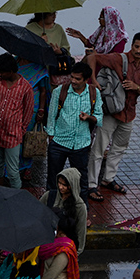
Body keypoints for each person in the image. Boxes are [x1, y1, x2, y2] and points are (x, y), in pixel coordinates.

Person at [85, 32, 140, 201]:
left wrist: (135, 87)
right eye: (136, 46)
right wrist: (94, 80)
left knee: (119, 148)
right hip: (111, 111)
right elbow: (92, 57)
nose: (138, 50)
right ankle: (92, 184)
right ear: (132, 45)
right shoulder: (118, 58)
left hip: (129, 114)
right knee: (99, 149)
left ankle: (108, 179)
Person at [45, 62, 102, 203]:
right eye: (72, 77)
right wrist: (51, 137)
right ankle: (51, 208)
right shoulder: (60, 91)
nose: (73, 81)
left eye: (77, 79)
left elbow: (99, 118)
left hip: (81, 144)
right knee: (53, 180)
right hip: (59, 142)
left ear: (86, 80)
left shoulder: (94, 93)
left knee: (81, 182)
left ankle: (82, 212)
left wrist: (88, 117)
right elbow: (51, 116)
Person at [0, 53, 34, 190]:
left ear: (11, 71)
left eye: (2, 72)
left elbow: (28, 111)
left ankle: (16, 198)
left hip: (13, 135)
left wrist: (21, 130)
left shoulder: (25, 87)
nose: (0, 74)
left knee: (13, 171)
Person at [39, 167, 88, 253]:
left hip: (64, 248)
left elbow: (81, 232)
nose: (60, 187)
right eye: (59, 183)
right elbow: (38, 212)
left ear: (72, 185)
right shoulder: (49, 195)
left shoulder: (80, 207)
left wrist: (76, 253)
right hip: (46, 242)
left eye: (64, 185)